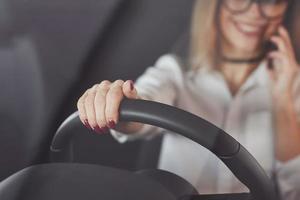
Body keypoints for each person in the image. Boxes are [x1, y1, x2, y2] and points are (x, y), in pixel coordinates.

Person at [77, 0, 300, 198]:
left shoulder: (293, 83)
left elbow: (294, 191)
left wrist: (283, 105)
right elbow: (144, 106)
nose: (255, 13)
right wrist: (117, 104)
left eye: (271, 1)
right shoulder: (175, 73)